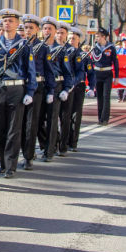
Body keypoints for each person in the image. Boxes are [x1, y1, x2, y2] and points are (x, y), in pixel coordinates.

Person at [0, 8, 37, 178]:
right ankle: (3, 163)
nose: (7, 23)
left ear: (17, 24)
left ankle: (11, 166)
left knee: (14, 129)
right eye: (5, 21)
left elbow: (31, 70)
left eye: (11, 21)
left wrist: (30, 91)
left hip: (17, 89)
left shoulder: (24, 44)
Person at [38, 17, 68, 161]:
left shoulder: (61, 50)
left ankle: (49, 151)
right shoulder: (38, 48)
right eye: (45, 29)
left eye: (50, 29)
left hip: (56, 86)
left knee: (52, 119)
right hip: (40, 86)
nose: (47, 31)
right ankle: (46, 143)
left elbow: (68, 72)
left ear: (55, 31)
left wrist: (66, 89)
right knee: (37, 121)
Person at [20, 14, 47, 170]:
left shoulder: (43, 48)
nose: (28, 30)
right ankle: (23, 151)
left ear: (37, 30)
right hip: (21, 87)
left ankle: (28, 156)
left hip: (36, 89)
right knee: (20, 124)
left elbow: (48, 71)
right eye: (26, 28)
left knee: (31, 124)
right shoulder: (20, 45)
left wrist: (51, 91)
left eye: (31, 28)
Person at [66, 27, 90, 150]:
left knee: (75, 114)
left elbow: (85, 72)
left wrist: (91, 86)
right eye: (69, 38)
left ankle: (73, 142)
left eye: (73, 39)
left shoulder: (82, 55)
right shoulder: (64, 52)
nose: (71, 40)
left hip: (78, 86)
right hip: (66, 87)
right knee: (66, 114)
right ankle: (63, 141)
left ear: (78, 40)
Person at [54, 22, 77, 155]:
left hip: (67, 85)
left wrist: (70, 85)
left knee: (65, 117)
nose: (59, 35)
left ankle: (63, 146)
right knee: (52, 117)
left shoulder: (71, 50)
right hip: (54, 85)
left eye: (62, 33)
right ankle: (54, 142)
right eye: (57, 32)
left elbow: (75, 71)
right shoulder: (50, 48)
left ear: (66, 35)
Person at [90, 28, 119, 124]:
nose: (96, 38)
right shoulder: (95, 48)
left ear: (104, 37)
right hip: (97, 74)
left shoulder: (111, 47)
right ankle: (100, 118)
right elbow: (91, 62)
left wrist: (117, 76)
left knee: (106, 96)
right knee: (99, 97)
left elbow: (115, 62)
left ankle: (105, 119)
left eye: (98, 36)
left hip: (107, 74)